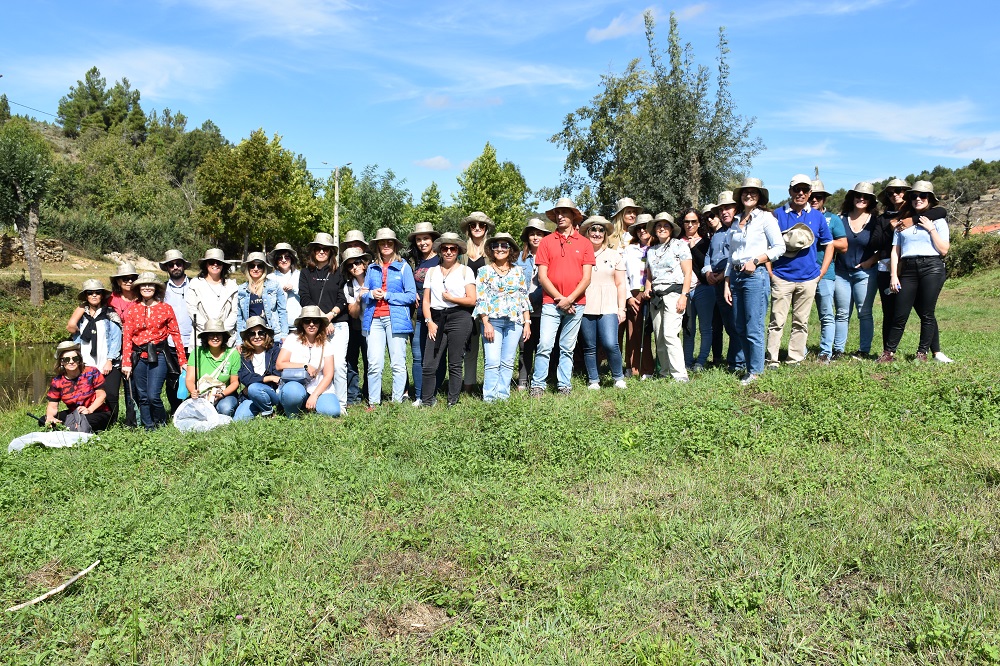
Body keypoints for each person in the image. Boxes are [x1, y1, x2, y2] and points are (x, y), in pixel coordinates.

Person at [873, 179, 952, 363]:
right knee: (900, 313)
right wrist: (894, 275)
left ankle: (922, 353)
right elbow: (895, 251)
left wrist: (931, 230)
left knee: (927, 313)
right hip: (908, 268)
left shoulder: (938, 221)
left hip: (931, 266)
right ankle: (888, 353)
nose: (918, 198)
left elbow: (944, 250)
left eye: (923, 195)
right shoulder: (902, 223)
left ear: (929, 199)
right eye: (914, 196)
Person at [767, 175, 834, 367]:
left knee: (801, 321)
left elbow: (829, 244)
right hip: (782, 277)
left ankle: (795, 358)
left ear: (810, 193)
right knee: (776, 321)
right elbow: (767, 245)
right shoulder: (777, 215)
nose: (801, 193)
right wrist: (771, 272)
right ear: (790, 191)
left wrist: (821, 272)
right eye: (797, 189)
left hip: (808, 278)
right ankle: (772, 359)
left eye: (805, 190)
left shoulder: (817, 216)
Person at [530, 198, 595, 396]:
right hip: (551, 303)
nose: (560, 216)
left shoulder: (585, 243)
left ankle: (564, 385)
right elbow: (542, 277)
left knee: (567, 347)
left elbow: (586, 278)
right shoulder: (546, 242)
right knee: (545, 344)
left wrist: (570, 299)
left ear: (573, 216)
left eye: (564, 212)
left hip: (576, 304)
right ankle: (538, 385)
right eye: (557, 212)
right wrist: (561, 299)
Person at [724, 178, 786, 385]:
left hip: (755, 275)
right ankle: (750, 368)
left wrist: (757, 260)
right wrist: (727, 282)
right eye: (745, 192)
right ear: (740, 196)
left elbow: (779, 247)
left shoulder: (766, 218)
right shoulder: (736, 220)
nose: (749, 195)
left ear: (759, 196)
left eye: (753, 192)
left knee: (754, 325)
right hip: (735, 276)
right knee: (739, 326)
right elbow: (731, 254)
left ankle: (756, 371)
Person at [122, 272, 187, 430]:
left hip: (159, 355)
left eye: (150, 285)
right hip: (139, 356)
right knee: (142, 395)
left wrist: (182, 361)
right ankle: (148, 425)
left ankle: (161, 422)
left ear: (156, 288)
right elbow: (127, 337)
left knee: (153, 395)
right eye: (143, 285)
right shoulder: (133, 309)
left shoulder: (166, 308)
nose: (147, 287)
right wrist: (126, 363)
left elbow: (176, 335)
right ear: (138, 288)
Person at [420, 232, 477, 407]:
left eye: (453, 248)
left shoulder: (465, 271)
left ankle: (453, 401)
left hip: (460, 317)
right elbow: (426, 301)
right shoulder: (432, 272)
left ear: (458, 251)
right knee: (429, 364)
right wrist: (429, 322)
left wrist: (452, 298)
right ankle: (427, 401)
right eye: (445, 248)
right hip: (436, 318)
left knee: (455, 362)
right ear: (440, 250)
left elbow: (472, 300)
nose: (449, 252)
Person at [361, 228, 416, 405]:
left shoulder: (404, 267)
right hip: (374, 319)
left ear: (395, 245)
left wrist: (387, 295)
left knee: (398, 363)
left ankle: (396, 403)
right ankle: (373, 403)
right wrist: (371, 294)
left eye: (389, 242)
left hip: (396, 320)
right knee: (374, 364)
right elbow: (363, 293)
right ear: (377, 246)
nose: (386, 245)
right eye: (382, 243)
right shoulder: (371, 268)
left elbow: (411, 296)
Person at [475, 232, 531, 402]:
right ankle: (490, 398)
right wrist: (486, 323)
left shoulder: (518, 271)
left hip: (515, 322)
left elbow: (524, 298)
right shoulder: (484, 271)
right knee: (492, 361)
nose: (500, 249)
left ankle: (503, 396)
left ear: (510, 249)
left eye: (504, 245)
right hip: (492, 321)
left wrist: (527, 322)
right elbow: (481, 299)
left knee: (507, 361)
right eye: (496, 245)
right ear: (491, 249)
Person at [299, 232, 350, 409]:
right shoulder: (306, 273)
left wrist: (330, 317)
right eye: (318, 249)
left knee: (339, 365)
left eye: (325, 249)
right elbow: (304, 298)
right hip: (314, 325)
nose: (321, 252)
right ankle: (310, 399)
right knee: (315, 364)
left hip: (338, 324)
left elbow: (342, 299)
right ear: (313, 251)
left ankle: (341, 404)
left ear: (331, 252)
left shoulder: (338, 273)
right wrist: (322, 319)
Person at [641, 213, 692, 382]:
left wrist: (684, 296)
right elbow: (650, 276)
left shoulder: (680, 245)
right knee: (659, 336)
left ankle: (679, 374)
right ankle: (664, 372)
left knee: (670, 334)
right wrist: (647, 288)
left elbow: (687, 273)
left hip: (674, 293)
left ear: (671, 229)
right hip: (656, 297)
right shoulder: (651, 250)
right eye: (658, 226)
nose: (662, 228)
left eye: (666, 226)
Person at [579, 216, 628, 389]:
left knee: (610, 343)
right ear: (587, 232)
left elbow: (621, 284)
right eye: (593, 229)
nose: (597, 233)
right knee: (589, 346)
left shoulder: (615, 255)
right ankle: (593, 380)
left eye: (601, 230)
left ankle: (618, 378)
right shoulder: (580, 255)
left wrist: (621, 308)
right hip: (586, 304)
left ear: (605, 234)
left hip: (609, 305)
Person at [834, 182, 880, 359]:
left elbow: (885, 247)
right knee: (842, 313)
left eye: (866, 196)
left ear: (871, 201)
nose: (861, 198)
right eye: (858, 195)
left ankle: (864, 350)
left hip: (865, 274)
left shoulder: (875, 221)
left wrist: (871, 261)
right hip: (841, 273)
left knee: (864, 312)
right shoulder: (840, 219)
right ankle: (838, 350)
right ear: (851, 197)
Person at [69, 279, 122, 425]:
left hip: (107, 361)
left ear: (102, 295)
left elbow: (116, 339)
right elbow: (74, 335)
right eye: (90, 293)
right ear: (86, 296)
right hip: (87, 362)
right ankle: (90, 420)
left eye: (97, 293)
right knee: (87, 394)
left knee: (111, 394)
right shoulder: (81, 316)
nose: (94, 295)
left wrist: (110, 360)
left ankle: (113, 422)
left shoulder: (110, 314)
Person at [807, 181, 848, 363]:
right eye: (812, 196)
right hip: (801, 273)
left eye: (819, 197)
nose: (815, 200)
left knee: (826, 314)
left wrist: (824, 239)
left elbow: (844, 245)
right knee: (801, 315)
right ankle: (799, 351)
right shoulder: (799, 216)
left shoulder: (833, 219)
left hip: (825, 273)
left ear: (824, 199)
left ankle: (825, 352)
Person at [275, 306, 341, 417]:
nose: (311, 324)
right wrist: (305, 365)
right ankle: (293, 414)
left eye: (315, 321)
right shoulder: (292, 339)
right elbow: (279, 364)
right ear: (302, 323)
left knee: (332, 411)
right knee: (292, 393)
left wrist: (315, 395)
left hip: (318, 386)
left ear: (320, 323)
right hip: (295, 384)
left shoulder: (326, 344)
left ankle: (312, 405)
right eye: (307, 321)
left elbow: (328, 375)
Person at [705, 192, 743, 374]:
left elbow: (734, 256)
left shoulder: (739, 229)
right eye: (721, 209)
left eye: (727, 208)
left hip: (733, 280)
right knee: (728, 324)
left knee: (736, 323)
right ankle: (734, 360)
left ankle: (738, 362)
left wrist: (721, 276)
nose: (724, 212)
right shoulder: (717, 234)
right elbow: (708, 255)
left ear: (736, 209)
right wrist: (707, 272)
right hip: (717, 284)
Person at [407, 222, 441, 406]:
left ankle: (434, 391)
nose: (422, 243)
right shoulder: (413, 260)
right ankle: (420, 395)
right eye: (419, 239)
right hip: (418, 316)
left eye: (426, 238)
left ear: (433, 240)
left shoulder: (442, 258)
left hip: (438, 314)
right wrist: (411, 292)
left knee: (437, 356)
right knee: (418, 355)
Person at [45, 341, 112, 432]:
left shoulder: (92, 372)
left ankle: (71, 427)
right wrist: (50, 417)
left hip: (96, 412)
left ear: (79, 360)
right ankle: (72, 426)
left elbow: (101, 396)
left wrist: (89, 410)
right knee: (43, 420)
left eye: (75, 358)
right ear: (61, 362)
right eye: (66, 359)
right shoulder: (57, 381)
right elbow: (53, 406)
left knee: (85, 421)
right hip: (74, 414)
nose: (71, 362)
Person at [460, 212, 494, 394]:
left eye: (481, 225)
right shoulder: (462, 253)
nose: (477, 228)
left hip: (490, 307)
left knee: (491, 348)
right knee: (470, 349)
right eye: (473, 225)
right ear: (469, 229)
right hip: (468, 308)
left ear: (486, 228)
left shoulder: (492, 251)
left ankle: (489, 386)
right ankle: (468, 385)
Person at [515, 218, 550, 390]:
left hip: (545, 307)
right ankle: (523, 379)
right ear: (527, 237)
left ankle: (546, 377)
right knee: (525, 346)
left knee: (545, 345)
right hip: (524, 309)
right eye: (532, 234)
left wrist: (536, 300)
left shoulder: (551, 256)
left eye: (539, 234)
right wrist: (526, 303)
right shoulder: (519, 259)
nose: (535, 237)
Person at [159, 250, 194, 414]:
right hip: (170, 342)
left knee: (194, 377)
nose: (175, 267)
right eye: (171, 265)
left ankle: (193, 409)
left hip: (193, 340)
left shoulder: (195, 285)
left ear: (183, 265)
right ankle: (175, 411)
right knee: (172, 378)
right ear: (167, 268)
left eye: (178, 263)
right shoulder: (161, 289)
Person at [680, 208, 714, 372]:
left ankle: (700, 361)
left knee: (705, 328)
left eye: (694, 221)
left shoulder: (707, 242)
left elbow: (705, 266)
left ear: (699, 223)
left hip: (703, 289)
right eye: (687, 221)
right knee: (688, 329)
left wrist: (693, 248)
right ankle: (687, 362)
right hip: (684, 291)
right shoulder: (678, 242)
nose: (690, 224)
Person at [185, 318, 240, 417]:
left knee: (225, 409)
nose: (215, 338)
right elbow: (190, 379)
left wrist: (222, 394)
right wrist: (193, 391)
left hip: (225, 394)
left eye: (219, 335)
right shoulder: (197, 352)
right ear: (206, 337)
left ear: (224, 337)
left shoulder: (233, 354)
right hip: (202, 394)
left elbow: (235, 382)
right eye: (211, 335)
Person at [233, 316, 282, 421]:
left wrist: (253, 385)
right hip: (251, 396)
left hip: (271, 392)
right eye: (252, 334)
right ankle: (259, 408)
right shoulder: (244, 354)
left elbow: (277, 375)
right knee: (238, 420)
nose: (257, 337)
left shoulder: (275, 351)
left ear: (266, 334)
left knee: (253, 388)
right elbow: (244, 377)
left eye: (260, 333)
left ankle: (269, 411)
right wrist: (267, 378)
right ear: (247, 337)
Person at [186, 248, 238, 344]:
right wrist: (208, 330)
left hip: (226, 338)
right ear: (206, 264)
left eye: (219, 262)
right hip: (201, 337)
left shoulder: (232, 286)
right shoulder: (195, 284)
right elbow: (192, 310)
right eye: (211, 262)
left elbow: (235, 312)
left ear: (223, 265)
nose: (215, 265)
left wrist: (222, 331)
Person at [624, 214, 654, 378]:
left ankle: (653, 367)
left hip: (656, 292)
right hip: (635, 292)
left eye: (645, 227)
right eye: (639, 228)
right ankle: (634, 367)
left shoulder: (659, 247)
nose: (642, 230)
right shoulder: (630, 249)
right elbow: (622, 274)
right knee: (634, 331)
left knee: (654, 331)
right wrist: (628, 296)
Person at [236, 252, 289, 344]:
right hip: (251, 335)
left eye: (259, 266)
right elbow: (240, 317)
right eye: (252, 266)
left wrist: (284, 334)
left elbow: (282, 311)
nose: (256, 269)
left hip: (272, 334)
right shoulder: (242, 289)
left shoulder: (274, 286)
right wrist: (239, 340)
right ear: (248, 268)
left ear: (264, 268)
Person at [342, 247, 371, 407]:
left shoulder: (374, 280)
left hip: (374, 327)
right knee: (352, 362)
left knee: (371, 362)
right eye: (350, 265)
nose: (355, 267)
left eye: (357, 262)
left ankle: (370, 394)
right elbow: (353, 313)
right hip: (356, 327)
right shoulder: (348, 287)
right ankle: (353, 397)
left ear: (364, 263)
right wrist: (359, 299)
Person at [269, 243, 302, 326]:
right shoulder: (270, 278)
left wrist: (294, 289)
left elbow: (308, 296)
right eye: (280, 257)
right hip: (278, 325)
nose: (283, 260)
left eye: (287, 257)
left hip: (298, 324)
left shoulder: (300, 275)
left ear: (292, 259)